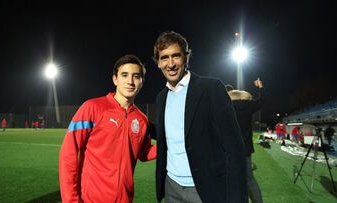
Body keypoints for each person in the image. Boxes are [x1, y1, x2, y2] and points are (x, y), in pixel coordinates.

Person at [153, 31, 247, 203]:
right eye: (164, 58)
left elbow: (234, 148)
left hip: (204, 189)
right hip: (171, 187)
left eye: (176, 56)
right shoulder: (161, 97)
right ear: (158, 63)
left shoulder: (211, 88)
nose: (171, 64)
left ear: (186, 58)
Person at [59, 54, 157, 203]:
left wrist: (170, 143)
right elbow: (68, 153)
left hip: (125, 199)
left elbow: (143, 153)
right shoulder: (92, 107)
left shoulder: (142, 119)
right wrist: (71, 200)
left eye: (136, 76)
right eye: (124, 75)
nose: (130, 81)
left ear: (142, 82)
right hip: (90, 199)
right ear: (115, 79)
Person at [227, 78, 264, 203]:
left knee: (231, 180)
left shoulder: (226, 106)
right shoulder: (248, 106)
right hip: (245, 150)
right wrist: (260, 87)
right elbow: (262, 101)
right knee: (249, 180)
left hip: (229, 150)